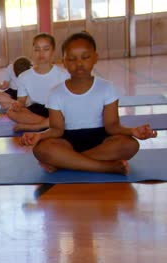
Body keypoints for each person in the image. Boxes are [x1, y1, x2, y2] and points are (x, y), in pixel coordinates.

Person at [19, 32, 157, 175]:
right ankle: (105, 167)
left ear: (95, 58)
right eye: (72, 59)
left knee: (130, 145)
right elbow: (56, 130)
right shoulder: (56, 93)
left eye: (85, 57)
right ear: (64, 62)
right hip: (67, 142)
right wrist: (39, 136)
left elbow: (112, 126)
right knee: (41, 149)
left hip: (101, 141)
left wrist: (132, 131)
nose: (79, 64)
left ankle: (64, 163)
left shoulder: (107, 88)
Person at [8, 33, 70, 132]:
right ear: (32, 51)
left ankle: (36, 126)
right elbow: (21, 101)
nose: (41, 53)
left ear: (53, 51)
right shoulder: (24, 76)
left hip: (56, 110)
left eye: (46, 49)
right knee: (11, 112)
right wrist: (17, 105)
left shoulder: (63, 75)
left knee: (69, 113)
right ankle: (49, 125)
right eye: (37, 49)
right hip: (35, 110)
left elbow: (67, 104)